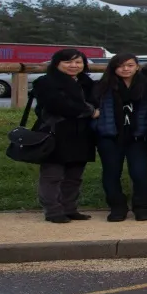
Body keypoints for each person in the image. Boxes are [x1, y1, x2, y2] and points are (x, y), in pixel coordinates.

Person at [32, 49, 100, 224]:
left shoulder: (87, 83)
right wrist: (89, 111)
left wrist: (89, 109)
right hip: (55, 132)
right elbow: (58, 105)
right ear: (57, 63)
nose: (73, 65)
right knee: (52, 174)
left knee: (74, 175)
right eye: (68, 62)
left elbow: (97, 102)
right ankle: (53, 210)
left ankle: (70, 208)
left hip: (82, 133)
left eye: (78, 62)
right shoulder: (45, 82)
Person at [91, 53, 147, 222]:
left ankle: (141, 207)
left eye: (130, 65)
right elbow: (90, 107)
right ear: (113, 68)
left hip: (138, 136)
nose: (125, 69)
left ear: (137, 67)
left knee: (140, 173)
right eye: (120, 66)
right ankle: (117, 207)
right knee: (111, 173)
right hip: (110, 136)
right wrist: (97, 123)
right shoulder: (102, 86)